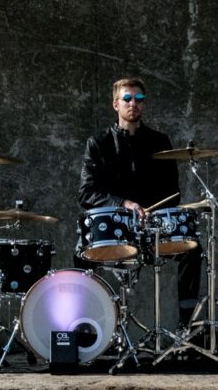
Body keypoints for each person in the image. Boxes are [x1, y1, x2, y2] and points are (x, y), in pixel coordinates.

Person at [77, 76, 199, 327]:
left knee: (193, 251)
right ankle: (86, 328)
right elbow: (86, 193)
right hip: (116, 228)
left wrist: (153, 212)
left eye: (139, 99)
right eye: (127, 98)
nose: (134, 103)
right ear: (116, 104)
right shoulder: (98, 143)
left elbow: (173, 193)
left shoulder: (160, 142)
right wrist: (124, 203)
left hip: (152, 228)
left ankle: (187, 328)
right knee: (81, 254)